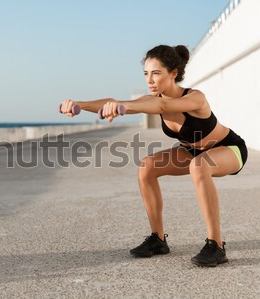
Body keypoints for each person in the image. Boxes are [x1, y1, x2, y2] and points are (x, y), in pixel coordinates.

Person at [59, 44, 247, 267]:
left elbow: (161, 104)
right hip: (191, 150)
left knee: (199, 165)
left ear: (173, 73)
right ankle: (157, 239)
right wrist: (80, 104)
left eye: (156, 73)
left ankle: (216, 245)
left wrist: (123, 108)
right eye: (146, 73)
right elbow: (123, 102)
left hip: (228, 148)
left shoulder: (195, 98)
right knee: (147, 166)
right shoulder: (153, 98)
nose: (149, 79)